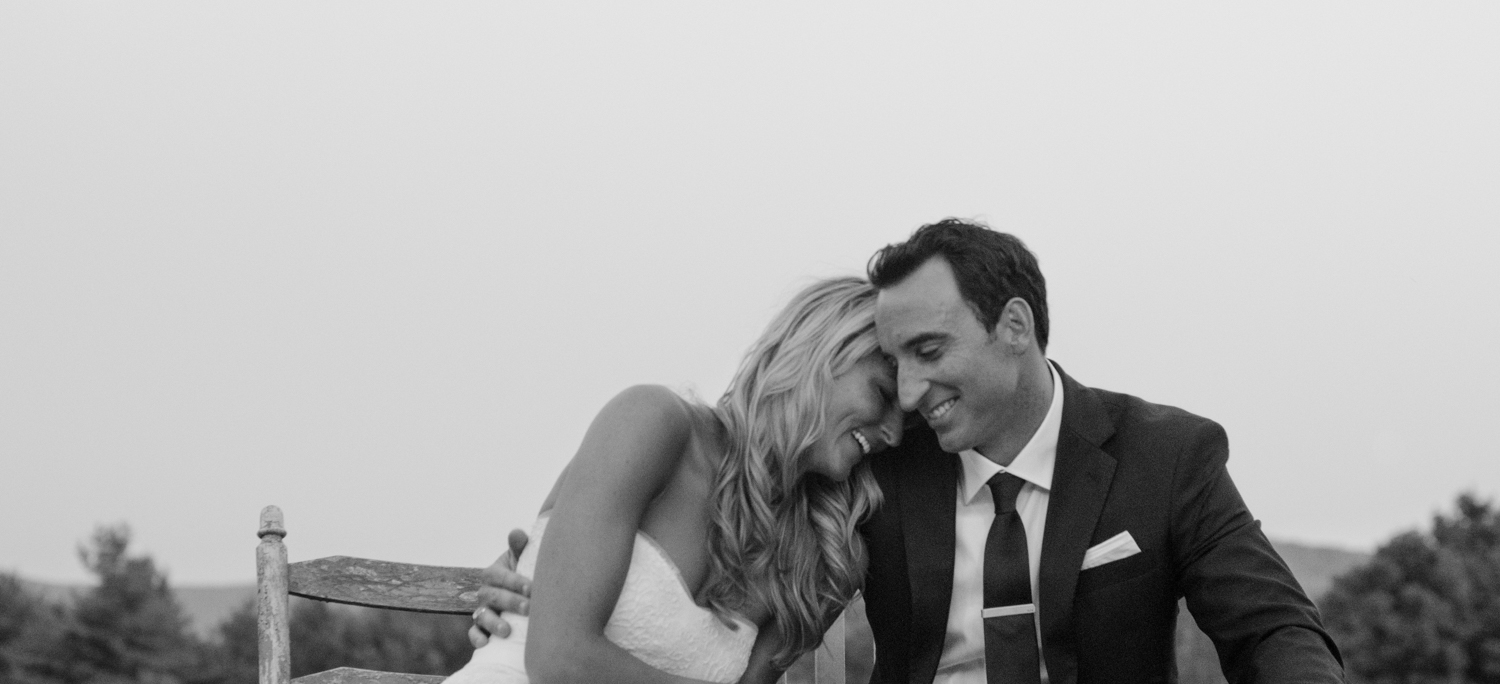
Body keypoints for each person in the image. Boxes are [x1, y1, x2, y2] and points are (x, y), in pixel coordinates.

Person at [475, 220, 1346, 684]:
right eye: (892, 372)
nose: (910, 406)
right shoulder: (881, 479)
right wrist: (529, 575)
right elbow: (582, 624)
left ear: (1015, 327)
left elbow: (1273, 629)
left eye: (929, 355)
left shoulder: (1167, 456)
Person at [448, 276, 904, 684]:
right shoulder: (652, 424)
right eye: (882, 393)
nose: (894, 432)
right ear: (818, 353)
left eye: (908, 423)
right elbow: (559, 661)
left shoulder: (820, 558)